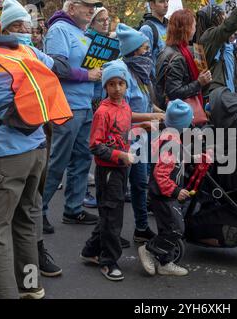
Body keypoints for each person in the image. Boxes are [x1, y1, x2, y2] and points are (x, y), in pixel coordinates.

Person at [0, 3, 72, 298]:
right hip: (37, 148)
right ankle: (31, 285)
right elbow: (58, 70)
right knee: (24, 222)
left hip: (5, 153)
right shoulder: (27, 51)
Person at [80, 60, 162, 281]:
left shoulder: (125, 105)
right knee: (113, 217)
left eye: (121, 84)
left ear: (127, 86)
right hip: (108, 171)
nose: (117, 89)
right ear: (105, 87)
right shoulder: (102, 112)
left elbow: (122, 128)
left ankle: (90, 251)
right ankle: (108, 261)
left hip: (121, 169)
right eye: (112, 84)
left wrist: (142, 125)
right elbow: (95, 145)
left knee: (109, 213)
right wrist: (121, 156)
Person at [42, 0, 103, 234]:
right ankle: (38, 212)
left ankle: (73, 209)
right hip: (66, 106)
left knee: (82, 160)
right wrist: (88, 75)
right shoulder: (59, 29)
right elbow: (57, 67)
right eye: (87, 5)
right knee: (58, 160)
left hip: (84, 104)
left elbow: (92, 69)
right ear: (72, 7)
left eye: (93, 6)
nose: (92, 9)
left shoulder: (82, 32)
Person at [116, 23, 165, 245]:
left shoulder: (140, 72)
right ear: (134, 51)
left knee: (140, 184)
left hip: (142, 138)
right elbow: (123, 113)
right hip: (125, 141)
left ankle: (142, 228)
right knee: (117, 190)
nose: (149, 52)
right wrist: (151, 119)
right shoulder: (122, 75)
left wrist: (160, 112)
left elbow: (145, 104)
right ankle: (110, 234)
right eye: (145, 49)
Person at [138, 99, 194, 277]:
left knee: (166, 228)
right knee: (177, 228)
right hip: (164, 194)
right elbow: (161, 174)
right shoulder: (171, 144)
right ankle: (148, 250)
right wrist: (176, 191)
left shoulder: (169, 137)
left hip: (163, 193)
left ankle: (165, 263)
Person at [82, 6, 111, 210]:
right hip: (88, 97)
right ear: (91, 23)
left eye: (107, 19)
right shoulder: (87, 40)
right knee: (85, 146)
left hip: (100, 97)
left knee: (98, 143)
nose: (106, 23)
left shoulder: (108, 41)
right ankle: (81, 191)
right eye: (101, 20)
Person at [195, 0, 237, 94]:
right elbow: (229, 25)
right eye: (222, 15)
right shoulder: (210, 36)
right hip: (217, 95)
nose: (225, 17)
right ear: (215, 18)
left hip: (227, 91)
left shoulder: (217, 39)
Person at [155, 9, 212, 110]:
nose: (195, 28)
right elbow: (174, 93)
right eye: (194, 25)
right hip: (179, 114)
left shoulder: (168, 49)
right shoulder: (178, 57)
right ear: (187, 29)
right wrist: (199, 82)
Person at [139, 0, 169, 74]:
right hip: (157, 82)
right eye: (161, 2)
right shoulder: (147, 29)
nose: (166, 5)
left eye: (167, 1)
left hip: (171, 80)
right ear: (152, 5)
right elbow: (143, 62)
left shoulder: (169, 26)